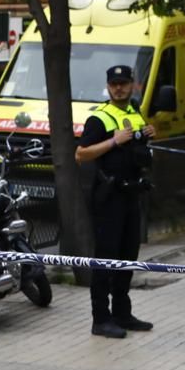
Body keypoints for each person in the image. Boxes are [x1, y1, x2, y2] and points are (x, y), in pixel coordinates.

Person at [74, 63, 155, 339]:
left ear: (133, 84)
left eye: (124, 83)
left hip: (131, 194)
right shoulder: (100, 118)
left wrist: (147, 136)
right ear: (108, 87)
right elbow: (81, 154)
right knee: (106, 259)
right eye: (114, 84)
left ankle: (122, 312)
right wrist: (114, 142)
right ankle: (101, 318)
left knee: (128, 257)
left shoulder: (134, 113)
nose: (119, 88)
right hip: (109, 197)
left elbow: (139, 152)